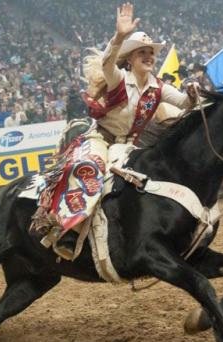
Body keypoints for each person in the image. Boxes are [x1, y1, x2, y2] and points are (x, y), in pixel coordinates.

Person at [38, 2, 198, 258]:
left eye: (150, 52)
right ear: (130, 59)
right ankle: (69, 231)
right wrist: (120, 36)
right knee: (88, 170)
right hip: (101, 139)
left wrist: (192, 95)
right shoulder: (119, 79)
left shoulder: (158, 87)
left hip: (132, 146)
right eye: (141, 52)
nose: (148, 56)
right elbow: (107, 61)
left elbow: (183, 103)